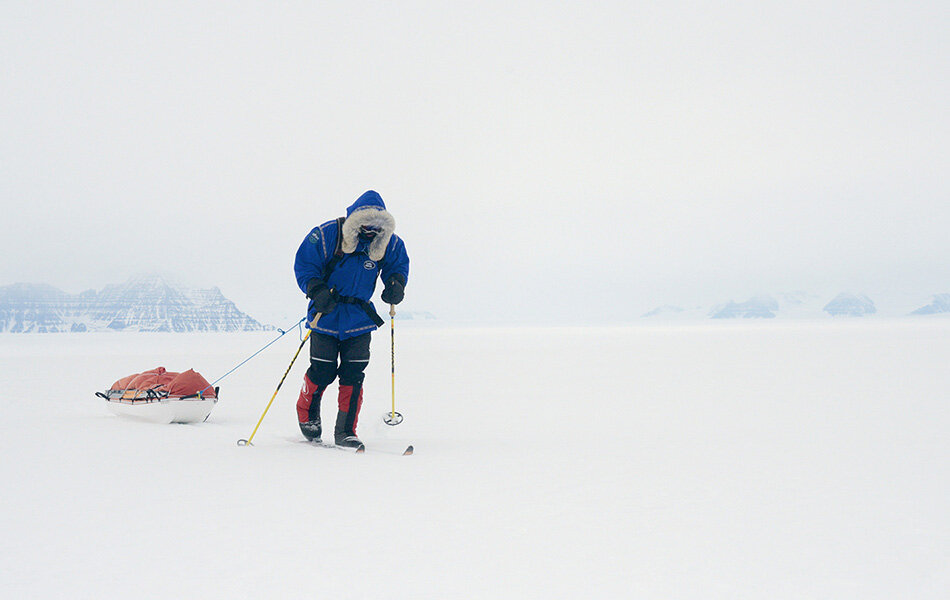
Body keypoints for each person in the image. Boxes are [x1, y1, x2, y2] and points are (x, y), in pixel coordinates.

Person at [293, 190, 409, 448]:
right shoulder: (327, 234)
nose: (371, 230)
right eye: (367, 224)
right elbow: (305, 264)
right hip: (326, 315)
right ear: (356, 219)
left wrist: (396, 284)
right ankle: (307, 413)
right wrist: (316, 289)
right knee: (322, 371)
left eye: (377, 225)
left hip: (359, 320)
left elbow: (398, 265)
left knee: (353, 374)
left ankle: (346, 431)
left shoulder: (389, 242)